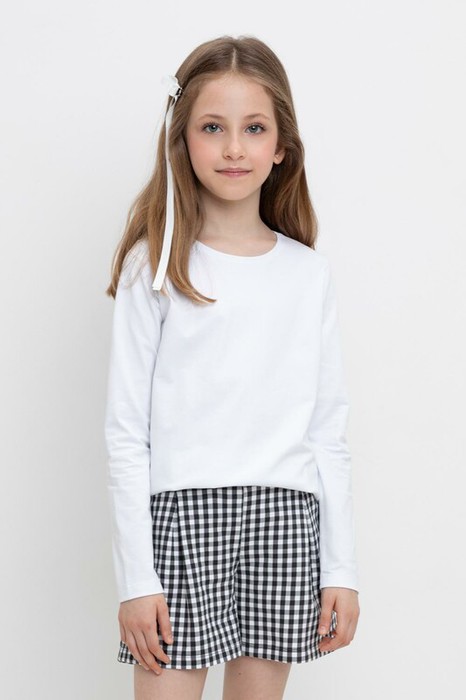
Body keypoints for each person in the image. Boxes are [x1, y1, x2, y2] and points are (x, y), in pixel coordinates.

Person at [104, 34, 360, 700]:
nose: (234, 148)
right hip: (183, 520)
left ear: (281, 146)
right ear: (182, 140)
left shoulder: (307, 273)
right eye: (213, 127)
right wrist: (137, 580)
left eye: (254, 128)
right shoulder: (155, 265)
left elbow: (327, 429)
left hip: (285, 519)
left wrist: (341, 568)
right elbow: (126, 432)